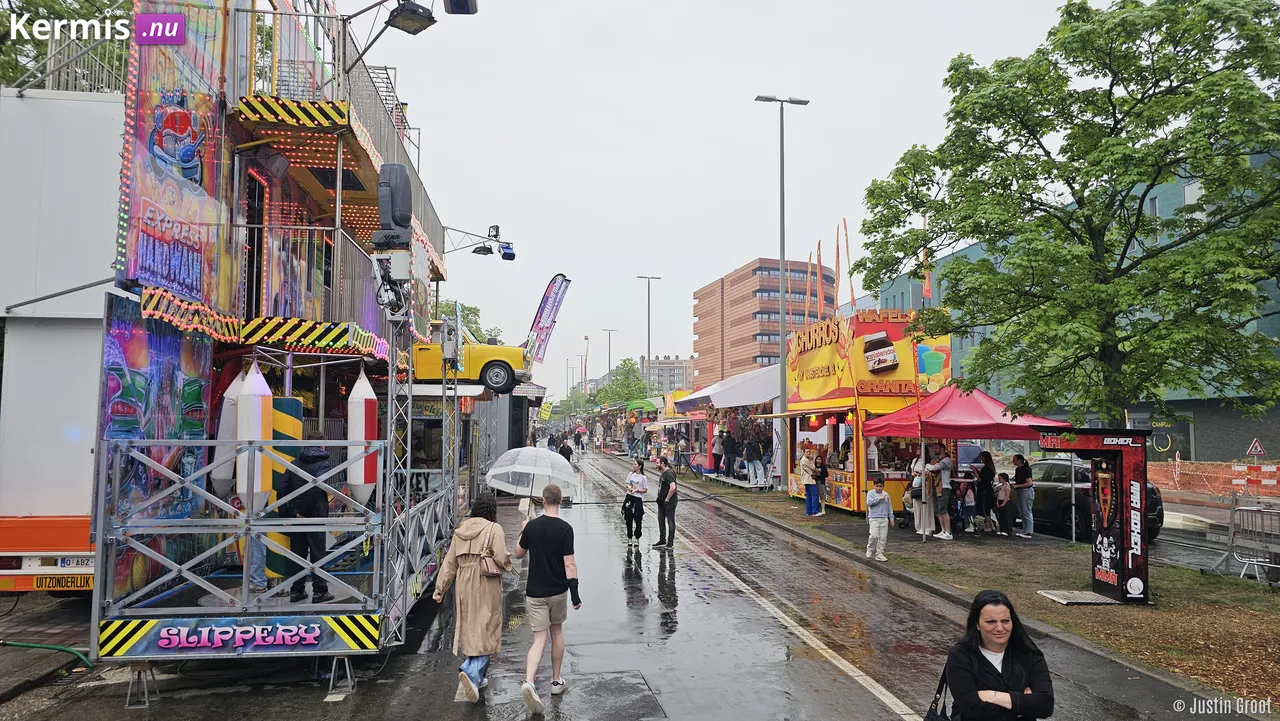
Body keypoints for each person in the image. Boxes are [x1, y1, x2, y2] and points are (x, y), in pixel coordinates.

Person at [432, 492, 512, 702]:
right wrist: (509, 563)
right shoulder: (494, 529)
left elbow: (450, 563)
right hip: (486, 582)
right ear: (491, 509)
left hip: (463, 583)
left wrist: (440, 588)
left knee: (472, 627)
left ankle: (479, 677)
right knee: (487, 628)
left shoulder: (460, 531)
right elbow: (502, 557)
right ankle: (470, 671)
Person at [516, 484, 581, 715]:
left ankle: (529, 682)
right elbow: (569, 563)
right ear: (560, 500)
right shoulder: (566, 529)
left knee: (538, 640)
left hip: (535, 592)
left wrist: (524, 530)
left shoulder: (532, 527)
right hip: (558, 591)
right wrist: (575, 594)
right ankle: (555, 682)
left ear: (543, 501)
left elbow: (518, 553)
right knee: (556, 633)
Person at [944, 590, 1054, 720]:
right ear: (977, 624)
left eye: (1005, 621)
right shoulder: (960, 656)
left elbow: (1046, 704)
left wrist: (993, 696)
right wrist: (1024, 708)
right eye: (991, 622)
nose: (1000, 628)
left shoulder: (1029, 654)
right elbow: (972, 709)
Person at [280, 431, 335, 603]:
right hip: (315, 514)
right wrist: (300, 510)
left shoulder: (294, 463)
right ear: (322, 445)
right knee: (318, 554)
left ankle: (296, 591)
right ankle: (320, 591)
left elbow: (282, 489)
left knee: (298, 554)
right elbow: (315, 489)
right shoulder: (324, 464)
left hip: (295, 517)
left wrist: (288, 514)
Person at [925, 444, 955, 540]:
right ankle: (943, 530)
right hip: (935, 486)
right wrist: (930, 466)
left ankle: (949, 532)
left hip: (944, 487)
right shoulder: (937, 461)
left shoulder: (947, 460)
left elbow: (933, 468)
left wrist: (929, 465)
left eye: (936, 448)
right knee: (938, 510)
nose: (934, 450)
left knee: (944, 510)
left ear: (942, 449)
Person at [653, 456, 678, 550]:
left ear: (663, 463)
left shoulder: (669, 473)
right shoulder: (663, 473)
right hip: (661, 501)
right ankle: (662, 539)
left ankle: (670, 542)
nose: (656, 464)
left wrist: (667, 499)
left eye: (657, 463)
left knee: (670, 521)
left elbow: (673, 487)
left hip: (669, 502)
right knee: (661, 520)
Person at [623, 459, 648, 546]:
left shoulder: (643, 478)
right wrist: (629, 487)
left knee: (638, 519)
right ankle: (629, 537)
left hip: (637, 498)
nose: (633, 465)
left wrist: (637, 490)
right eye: (633, 464)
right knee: (628, 518)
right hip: (629, 497)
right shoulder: (631, 474)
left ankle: (637, 537)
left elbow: (645, 490)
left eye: (635, 464)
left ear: (640, 466)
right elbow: (627, 483)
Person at [866, 477, 891, 562]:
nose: (878, 488)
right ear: (873, 486)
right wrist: (879, 499)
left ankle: (879, 554)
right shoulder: (870, 493)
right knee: (874, 535)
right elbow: (869, 503)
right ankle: (870, 548)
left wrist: (891, 517)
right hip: (874, 517)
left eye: (880, 486)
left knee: (882, 538)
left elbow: (889, 506)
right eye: (877, 486)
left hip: (884, 518)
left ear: (883, 486)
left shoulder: (886, 494)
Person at [1011, 454, 1035, 539]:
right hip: (1020, 491)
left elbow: (1029, 483)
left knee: (1026, 511)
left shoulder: (1026, 469)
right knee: (1021, 511)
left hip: (1026, 491)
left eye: (1014, 459)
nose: (1012, 461)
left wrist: (1017, 486)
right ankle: (1024, 530)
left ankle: (1028, 531)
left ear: (1019, 460)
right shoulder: (1018, 469)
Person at [911, 454, 935, 536]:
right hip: (916, 484)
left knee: (926, 506)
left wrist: (923, 474)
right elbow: (911, 471)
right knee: (917, 506)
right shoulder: (915, 460)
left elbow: (931, 473)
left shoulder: (929, 461)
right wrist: (915, 474)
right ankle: (919, 526)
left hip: (926, 485)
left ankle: (928, 527)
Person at [976, 451, 997, 534]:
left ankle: (988, 525)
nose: (980, 458)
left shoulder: (986, 468)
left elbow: (981, 479)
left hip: (985, 490)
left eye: (981, 457)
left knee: (985, 508)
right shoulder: (990, 468)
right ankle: (991, 525)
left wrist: (975, 471)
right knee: (986, 508)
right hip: (987, 489)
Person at [799, 449, 819, 516]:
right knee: (814, 495)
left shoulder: (803, 459)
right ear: (804, 452)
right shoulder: (805, 460)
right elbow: (813, 467)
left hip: (806, 480)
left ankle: (808, 511)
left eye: (809, 452)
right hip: (809, 480)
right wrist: (811, 460)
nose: (809, 453)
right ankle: (815, 511)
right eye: (807, 452)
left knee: (809, 496)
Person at [994, 472, 1015, 536]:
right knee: (1001, 516)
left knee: (1007, 516)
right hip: (1000, 501)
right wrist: (997, 502)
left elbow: (1007, 496)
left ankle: (1008, 530)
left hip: (1005, 502)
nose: (999, 479)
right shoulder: (1001, 486)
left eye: (1000, 478)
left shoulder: (1007, 486)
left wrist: (1003, 503)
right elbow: (998, 494)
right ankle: (1002, 529)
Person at [813, 452, 829, 517]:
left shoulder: (823, 467)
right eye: (817, 459)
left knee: (822, 495)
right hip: (815, 482)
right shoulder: (813, 467)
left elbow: (826, 475)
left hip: (822, 482)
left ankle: (823, 509)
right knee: (815, 495)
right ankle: (816, 508)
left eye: (820, 459)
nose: (819, 461)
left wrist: (821, 473)